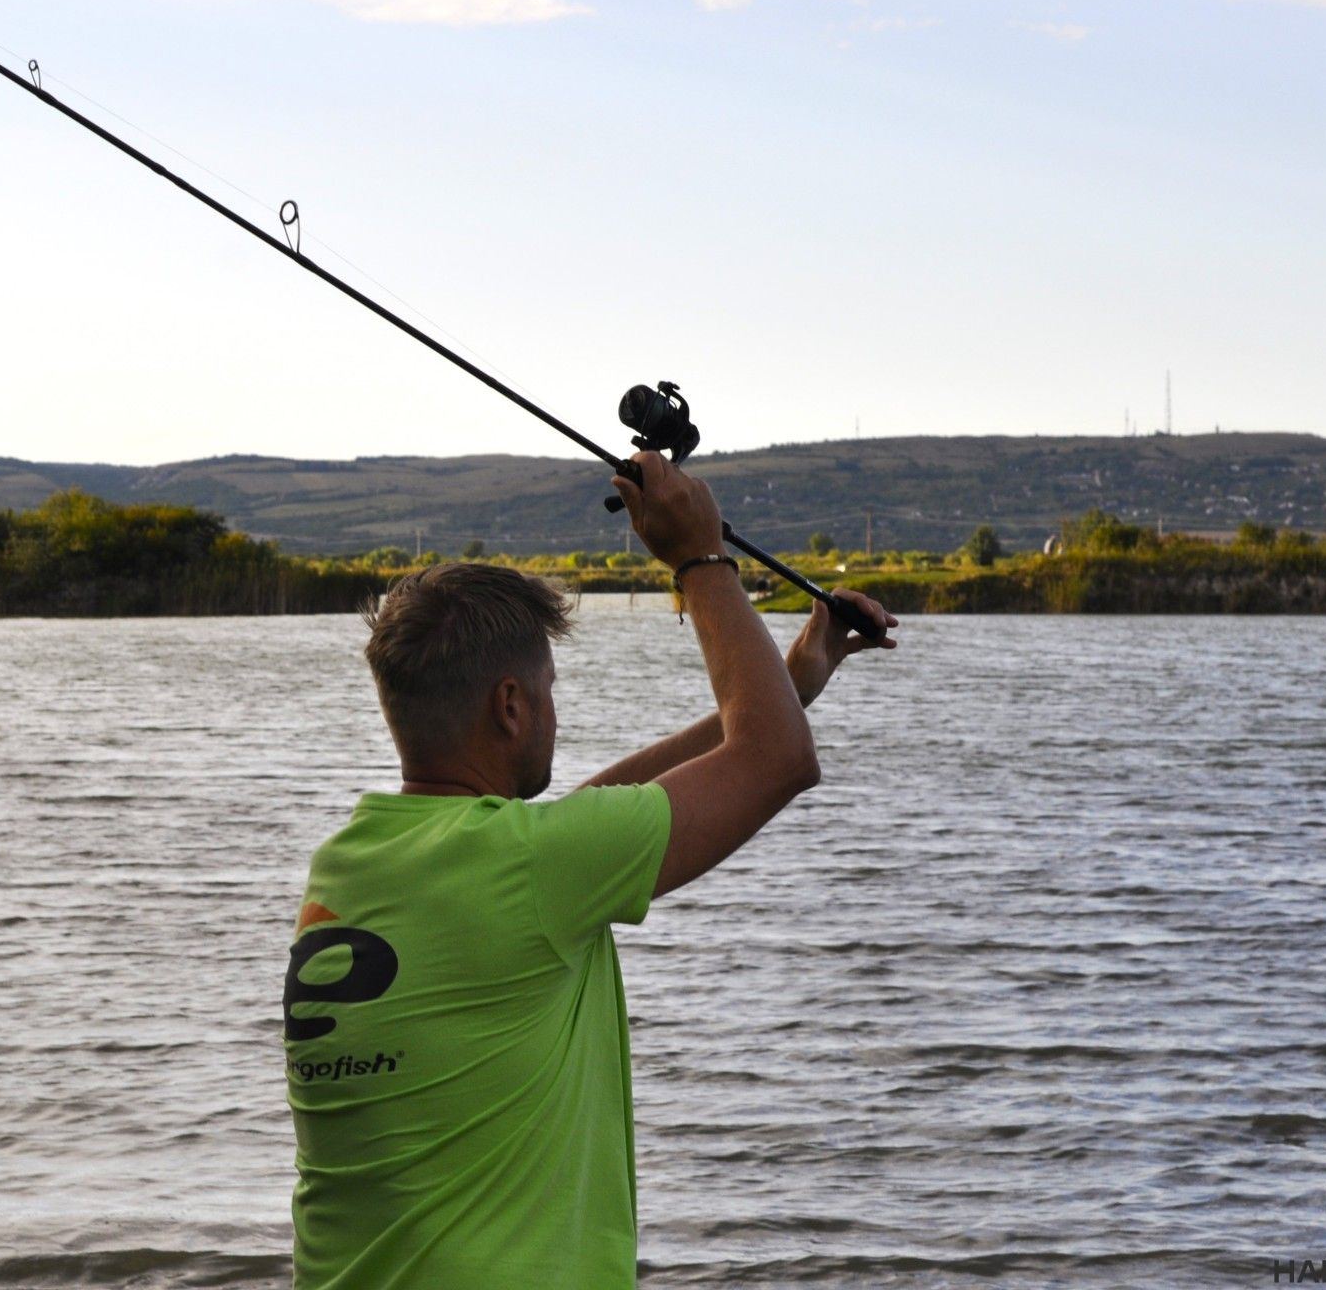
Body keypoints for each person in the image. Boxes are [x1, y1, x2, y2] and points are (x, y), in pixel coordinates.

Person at [283, 451, 895, 1289]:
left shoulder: (357, 863)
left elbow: (575, 823)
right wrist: (699, 561)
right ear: (510, 705)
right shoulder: (531, 866)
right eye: (549, 688)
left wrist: (793, 678)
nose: (554, 710)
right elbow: (777, 760)